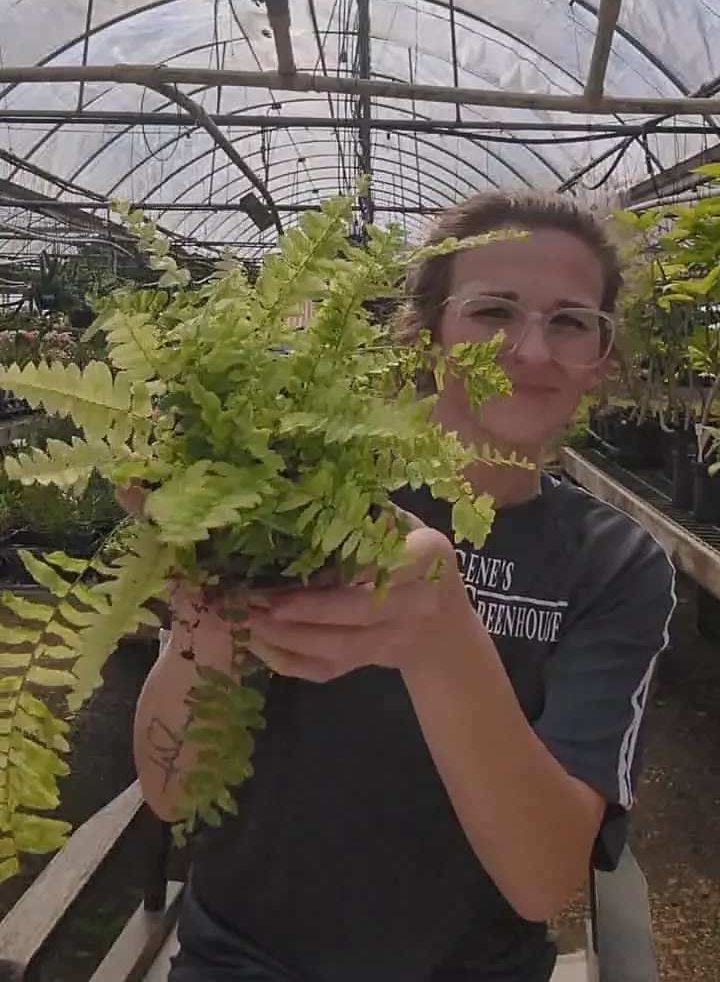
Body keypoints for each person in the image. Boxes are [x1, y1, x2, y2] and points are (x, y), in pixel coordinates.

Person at [127, 190, 676, 982]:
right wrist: (206, 587)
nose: (528, 351)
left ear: (602, 354)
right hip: (244, 963)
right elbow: (174, 792)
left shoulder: (615, 565)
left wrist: (445, 637)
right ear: (429, 334)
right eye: (493, 311)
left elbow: (540, 881)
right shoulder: (307, 494)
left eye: (568, 320)